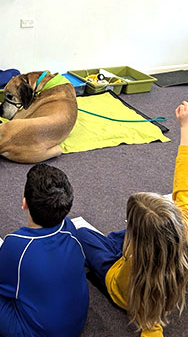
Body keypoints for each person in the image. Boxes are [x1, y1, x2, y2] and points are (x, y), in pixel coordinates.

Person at [76, 102, 188, 337]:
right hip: (148, 246)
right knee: (123, 237)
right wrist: (185, 128)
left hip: (116, 279)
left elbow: (151, 326)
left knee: (83, 235)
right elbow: (183, 181)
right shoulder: (183, 224)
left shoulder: (144, 282)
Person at [0, 164, 89, 336]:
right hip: (77, 322)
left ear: (24, 203)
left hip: (38, 332)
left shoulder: (17, 243)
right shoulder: (70, 227)